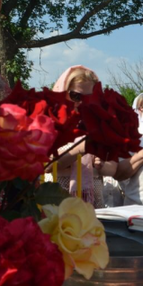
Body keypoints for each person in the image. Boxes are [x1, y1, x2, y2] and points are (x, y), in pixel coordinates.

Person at [50, 65, 117, 208]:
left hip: (92, 205)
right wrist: (80, 149)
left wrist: (102, 164)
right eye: (76, 96)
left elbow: (114, 168)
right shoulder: (50, 123)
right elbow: (44, 165)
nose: (82, 102)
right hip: (56, 203)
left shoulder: (101, 124)